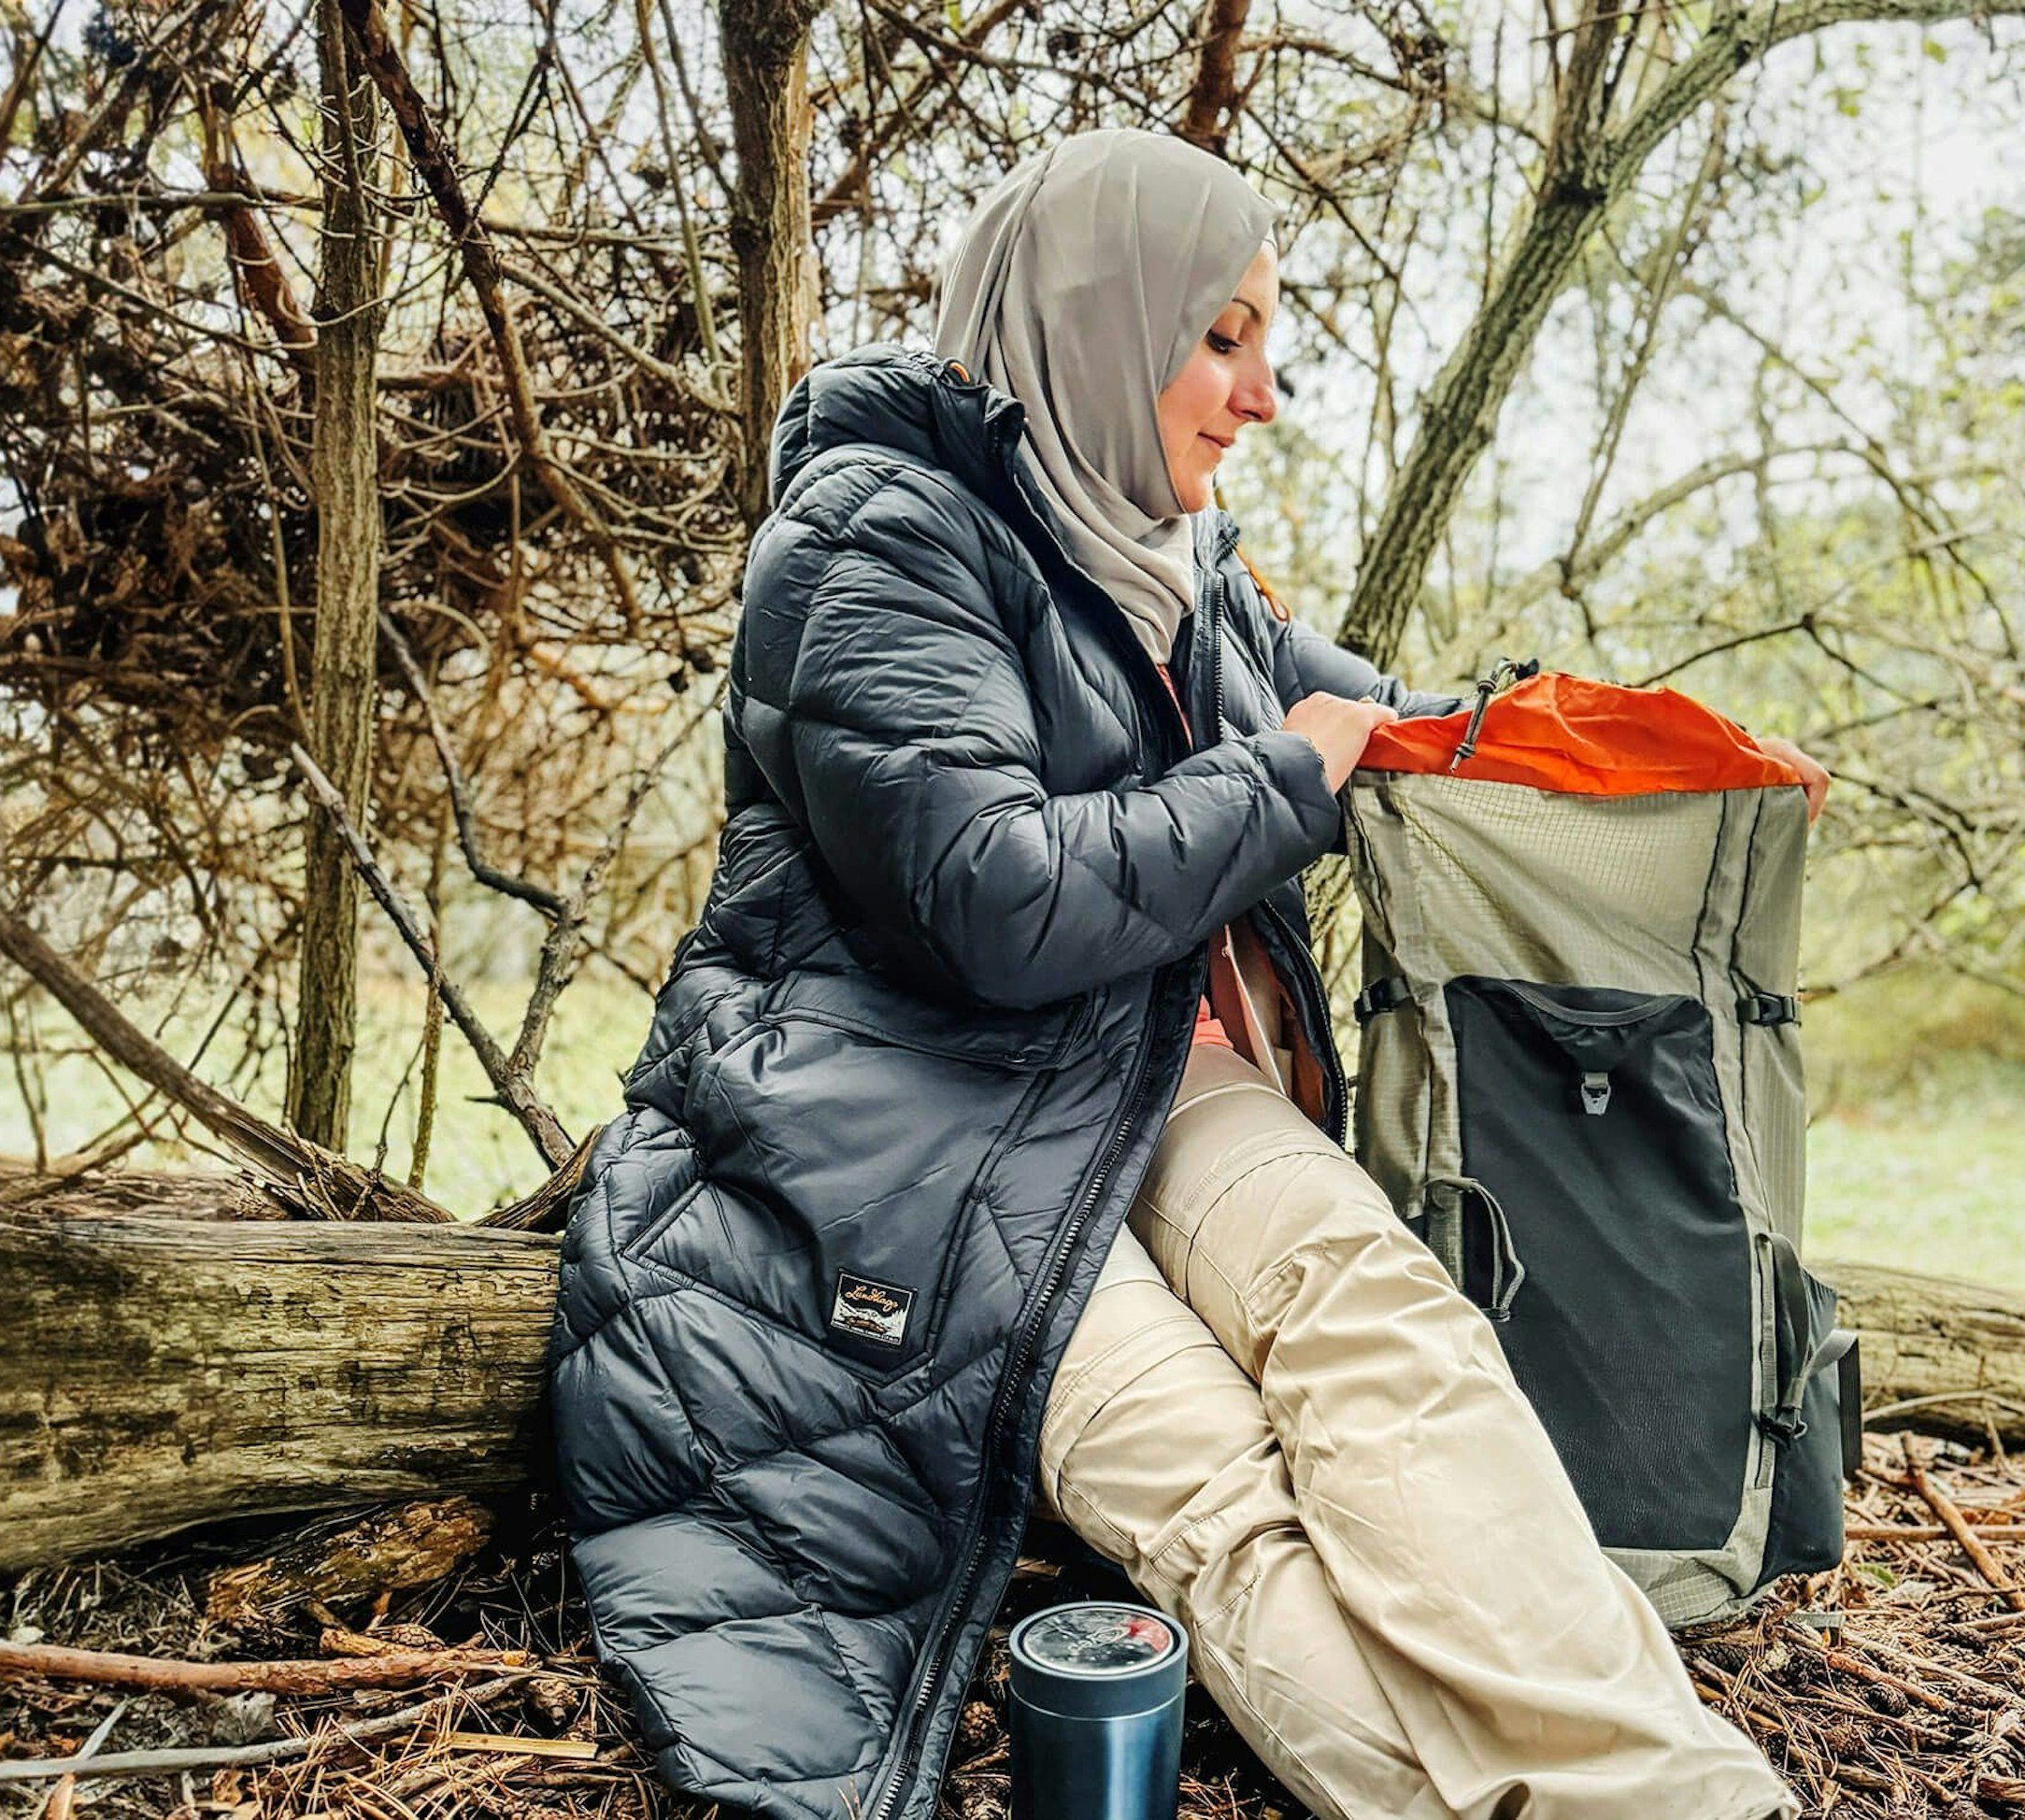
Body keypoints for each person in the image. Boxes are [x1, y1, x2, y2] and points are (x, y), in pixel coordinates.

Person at [549, 128, 1824, 1820]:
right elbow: (995, 898)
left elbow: (1370, 717)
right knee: (1219, 1494)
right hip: (906, 1138)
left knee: (1387, 1325)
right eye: (1221, 338)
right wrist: (1282, 779)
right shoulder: (873, 541)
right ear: (1095, 321)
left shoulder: (1177, 552)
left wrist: (1616, 756)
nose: (1261, 393)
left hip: (1150, 1071)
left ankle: (1681, 1797)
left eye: (1264, 343)